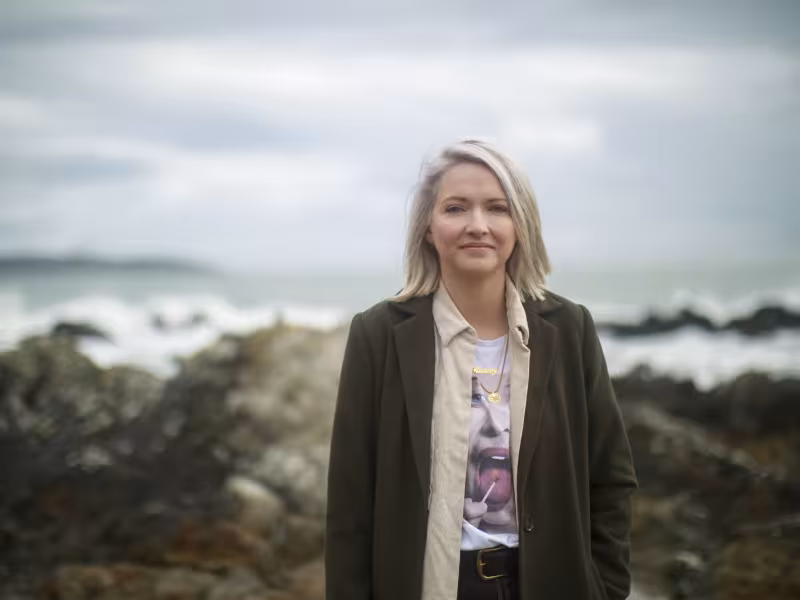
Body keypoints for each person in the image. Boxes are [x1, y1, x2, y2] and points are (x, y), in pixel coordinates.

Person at [325, 139, 638, 600]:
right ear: (428, 228)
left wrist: (605, 587)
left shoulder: (569, 329)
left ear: (520, 225)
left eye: (497, 208)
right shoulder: (378, 335)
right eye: (455, 209)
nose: (477, 226)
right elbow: (350, 506)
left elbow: (610, 476)